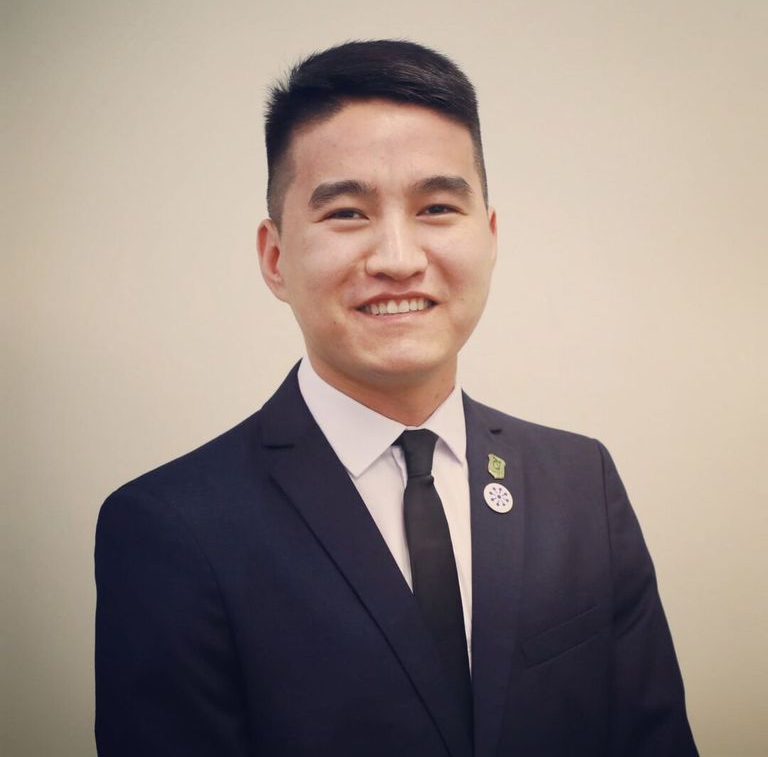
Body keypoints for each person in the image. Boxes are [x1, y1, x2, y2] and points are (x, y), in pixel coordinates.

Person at [95, 40, 698, 756]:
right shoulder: (170, 528)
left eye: (437, 207)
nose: (398, 258)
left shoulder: (579, 481)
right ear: (275, 256)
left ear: (490, 236)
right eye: (347, 213)